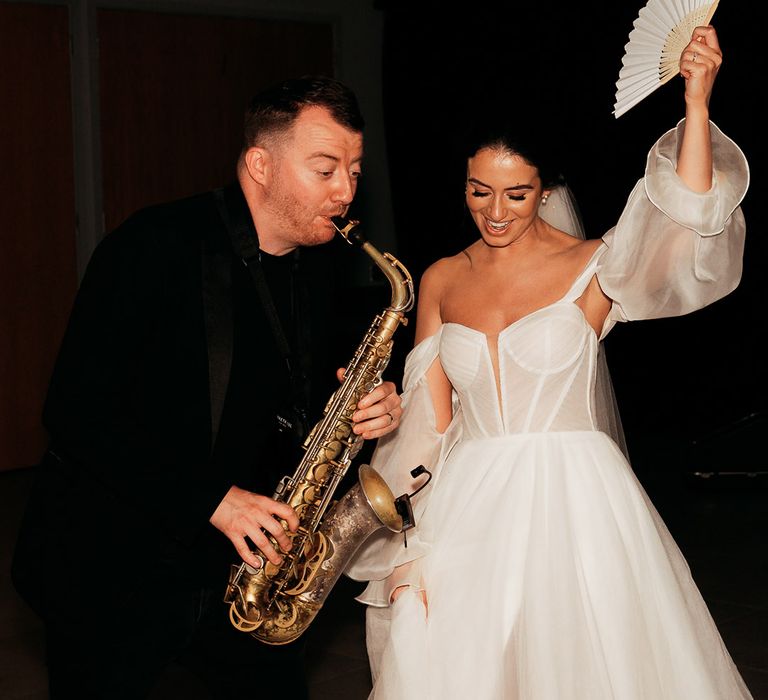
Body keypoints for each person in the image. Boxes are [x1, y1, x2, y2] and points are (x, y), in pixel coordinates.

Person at [346, 25, 753, 699]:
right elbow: (428, 425)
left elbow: (683, 228)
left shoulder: (593, 265)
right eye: (479, 191)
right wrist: (398, 544)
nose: (495, 212)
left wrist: (698, 101)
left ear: (544, 188)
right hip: (467, 508)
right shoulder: (443, 278)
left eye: (516, 193)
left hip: (578, 504)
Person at [11, 75, 403, 700]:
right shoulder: (154, 246)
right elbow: (77, 411)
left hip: (242, 569)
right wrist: (214, 500)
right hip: (117, 563)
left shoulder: (321, 264)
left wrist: (368, 408)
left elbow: (307, 398)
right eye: (326, 169)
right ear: (259, 164)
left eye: (355, 171)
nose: (346, 192)